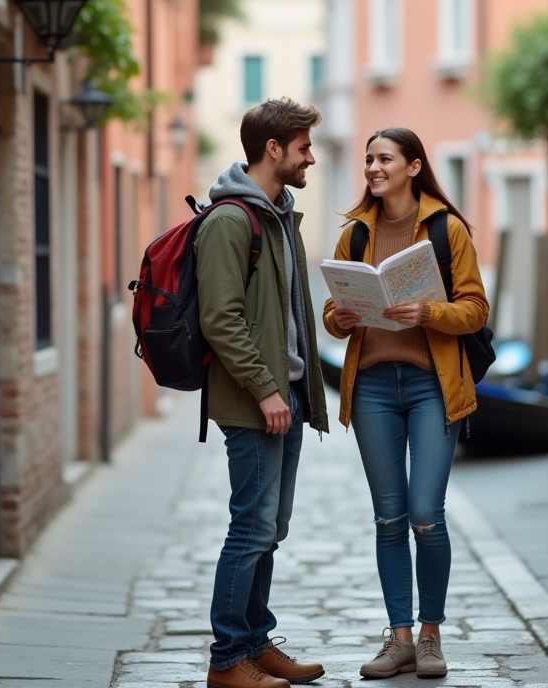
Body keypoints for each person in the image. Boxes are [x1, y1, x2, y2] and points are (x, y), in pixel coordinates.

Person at [322, 127, 489, 680]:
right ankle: (399, 639)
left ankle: (431, 634)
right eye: (369, 158)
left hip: (430, 386)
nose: (373, 167)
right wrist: (339, 317)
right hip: (372, 387)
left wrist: (429, 314)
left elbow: (475, 309)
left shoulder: (447, 228)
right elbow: (332, 311)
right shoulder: (356, 234)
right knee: (389, 518)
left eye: (384, 158)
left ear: (413, 166)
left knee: (425, 513)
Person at [196, 97, 330, 688]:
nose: (311, 158)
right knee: (250, 526)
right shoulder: (231, 220)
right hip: (257, 403)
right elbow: (220, 319)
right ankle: (227, 660)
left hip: (287, 397)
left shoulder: (281, 214)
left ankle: (255, 642)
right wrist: (266, 390)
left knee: (270, 527)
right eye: (303, 148)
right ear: (273, 149)